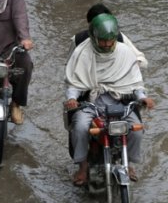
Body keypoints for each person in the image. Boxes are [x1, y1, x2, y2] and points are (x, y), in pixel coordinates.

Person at [64, 14, 155, 186]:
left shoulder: (125, 52)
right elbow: (75, 83)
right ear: (94, 37)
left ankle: (129, 164)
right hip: (91, 103)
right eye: (103, 41)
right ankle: (82, 166)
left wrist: (143, 98)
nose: (107, 44)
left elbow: (135, 82)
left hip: (120, 103)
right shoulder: (82, 53)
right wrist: (72, 99)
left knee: (137, 130)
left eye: (110, 40)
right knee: (80, 127)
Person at [69, 3, 147, 70]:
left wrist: (133, 65)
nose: (107, 44)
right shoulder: (78, 40)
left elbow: (142, 60)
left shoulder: (120, 37)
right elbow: (70, 65)